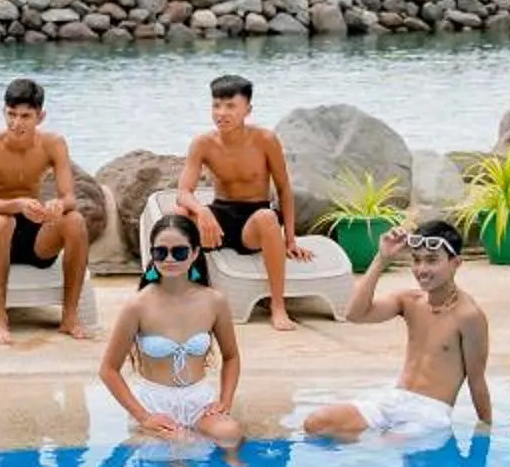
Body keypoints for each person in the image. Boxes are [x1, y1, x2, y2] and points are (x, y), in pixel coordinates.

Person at [305, 219, 492, 443]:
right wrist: (382, 258)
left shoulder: (468, 316)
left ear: (456, 263)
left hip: (430, 414)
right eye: (416, 260)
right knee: (316, 423)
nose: (421, 269)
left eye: (432, 261)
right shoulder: (409, 301)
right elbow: (354, 314)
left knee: (387, 444)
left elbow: (476, 379)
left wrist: (488, 426)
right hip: (394, 401)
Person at [175, 73, 313, 333]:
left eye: (230, 106)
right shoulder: (203, 143)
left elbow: (284, 189)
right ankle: (187, 296)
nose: (221, 113)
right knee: (182, 212)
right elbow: (183, 191)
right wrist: (202, 210)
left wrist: (291, 240)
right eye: (216, 105)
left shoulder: (265, 140)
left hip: (254, 218)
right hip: (221, 215)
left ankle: (277, 306)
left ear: (247, 109)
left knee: (268, 217)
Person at [96, 211, 243, 451]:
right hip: (155, 402)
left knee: (230, 434)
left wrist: (224, 402)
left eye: (180, 251)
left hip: (199, 401)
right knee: (180, 448)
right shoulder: (138, 306)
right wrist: (144, 417)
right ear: (152, 255)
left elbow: (231, 356)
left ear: (195, 253)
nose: (169, 259)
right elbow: (108, 370)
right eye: (160, 252)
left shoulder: (213, 301)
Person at [0, 76, 93, 345]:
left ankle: (69, 317)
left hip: (34, 232)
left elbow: (70, 196)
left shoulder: (54, 143)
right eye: (11, 114)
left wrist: (57, 206)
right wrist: (17, 205)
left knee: (75, 221)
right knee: (3, 222)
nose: (16, 123)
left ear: (41, 116)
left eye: (25, 116)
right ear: (3, 111)